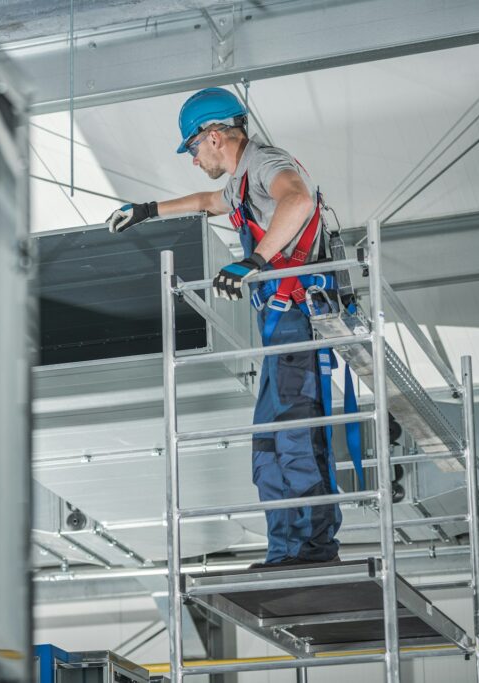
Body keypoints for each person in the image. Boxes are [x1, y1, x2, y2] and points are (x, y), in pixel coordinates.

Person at [105, 87, 341, 568]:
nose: (193, 158)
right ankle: (286, 550)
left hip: (295, 317)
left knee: (294, 435)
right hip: (278, 325)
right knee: (269, 442)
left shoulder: (269, 163)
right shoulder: (242, 179)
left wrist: (253, 261)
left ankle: (313, 550)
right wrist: (149, 210)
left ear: (214, 136)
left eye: (192, 148)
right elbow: (210, 201)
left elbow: (296, 200)